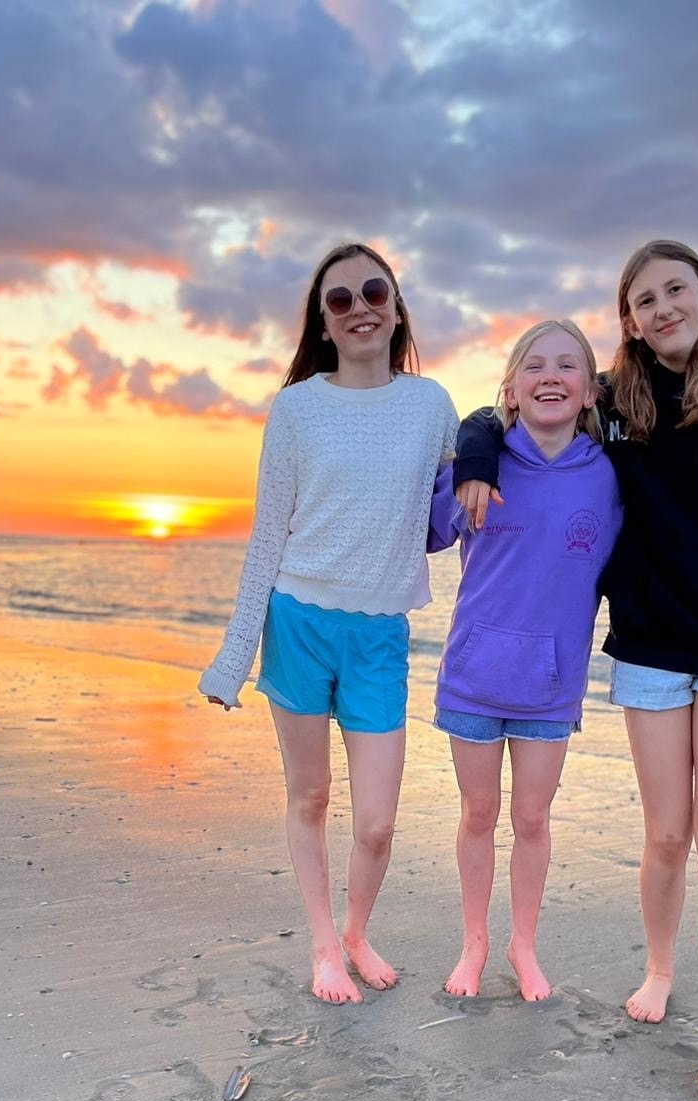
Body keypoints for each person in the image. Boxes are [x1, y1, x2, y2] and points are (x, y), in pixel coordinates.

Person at [452, 241, 698, 1096]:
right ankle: (659, 969)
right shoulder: (615, 397)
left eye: (673, 292)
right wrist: (474, 458)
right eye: (642, 301)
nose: (660, 310)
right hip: (650, 643)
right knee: (665, 834)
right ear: (628, 318)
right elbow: (511, 412)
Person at [200, 243, 459, 1005]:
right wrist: (234, 655)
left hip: (381, 632)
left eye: (373, 291)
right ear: (323, 320)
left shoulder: (430, 404)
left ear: (398, 306)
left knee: (377, 822)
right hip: (299, 621)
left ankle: (356, 931)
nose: (360, 308)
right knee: (309, 798)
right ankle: (323, 946)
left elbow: (474, 483)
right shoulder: (297, 408)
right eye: (340, 299)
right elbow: (266, 535)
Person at [428, 320, 622, 1002]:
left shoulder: (607, 479)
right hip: (475, 678)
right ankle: (474, 943)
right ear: (510, 389)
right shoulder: (479, 465)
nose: (550, 375)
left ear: (590, 392)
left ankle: (523, 945)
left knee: (533, 820)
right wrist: (457, 459)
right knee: (478, 814)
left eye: (567, 365)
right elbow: (418, 530)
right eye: (533, 365)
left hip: (551, 685)